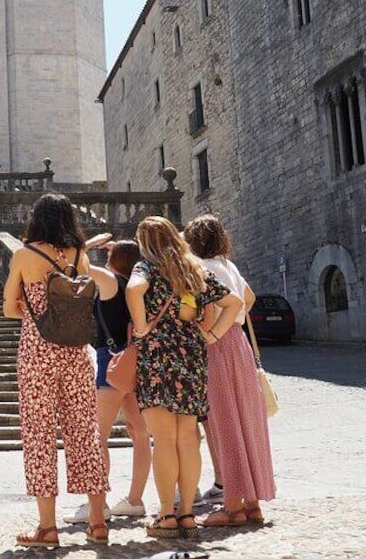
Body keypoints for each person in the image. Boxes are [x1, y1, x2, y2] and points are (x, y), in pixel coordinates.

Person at [3, 193, 110, 548]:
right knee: (85, 432)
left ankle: (47, 528)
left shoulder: (24, 255)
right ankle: (97, 522)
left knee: (39, 436)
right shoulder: (79, 255)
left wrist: (30, 308)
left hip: (37, 351)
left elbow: (8, 309)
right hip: (76, 351)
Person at [127, 216, 243, 539]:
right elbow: (233, 303)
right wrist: (214, 335)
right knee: (187, 438)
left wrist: (141, 327)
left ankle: (166, 515)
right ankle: (188, 516)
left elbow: (134, 291)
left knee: (163, 439)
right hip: (191, 355)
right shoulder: (193, 270)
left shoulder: (146, 267)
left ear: (146, 242)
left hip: (157, 357)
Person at [183, 215, 276, 527]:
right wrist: (233, 321)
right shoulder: (229, 266)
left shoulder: (201, 269)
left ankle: (233, 506)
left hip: (216, 345)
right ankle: (253, 504)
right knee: (246, 422)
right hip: (239, 345)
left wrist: (210, 331)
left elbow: (206, 311)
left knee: (224, 424)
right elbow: (247, 299)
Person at [63, 240, 152, 524]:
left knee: (96, 435)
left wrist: (88, 244)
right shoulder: (141, 283)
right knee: (139, 433)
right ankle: (135, 500)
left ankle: (97, 503)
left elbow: (76, 266)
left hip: (110, 361)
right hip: (135, 361)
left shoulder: (112, 281)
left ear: (114, 260)